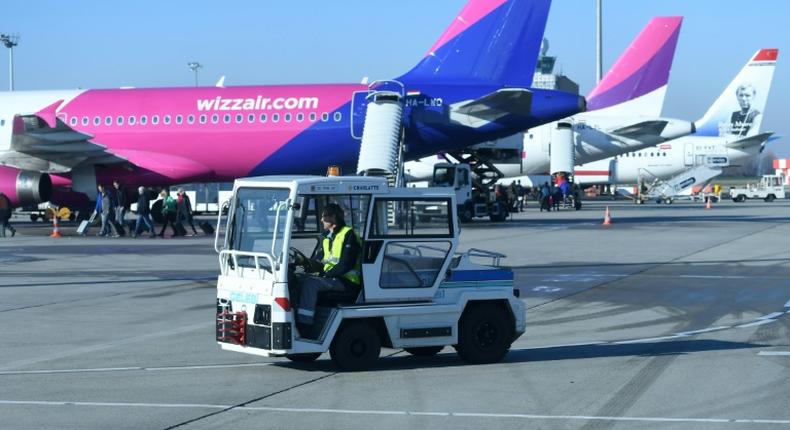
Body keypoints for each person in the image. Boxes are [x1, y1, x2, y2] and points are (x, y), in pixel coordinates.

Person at [292, 203, 362, 337]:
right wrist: (303, 263)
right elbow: (319, 260)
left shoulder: (348, 235)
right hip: (332, 278)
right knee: (299, 278)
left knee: (311, 284)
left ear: (333, 218)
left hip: (346, 281)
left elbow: (345, 265)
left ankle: (305, 325)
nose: (321, 220)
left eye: (324, 216)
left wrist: (324, 275)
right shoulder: (327, 237)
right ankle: (294, 317)